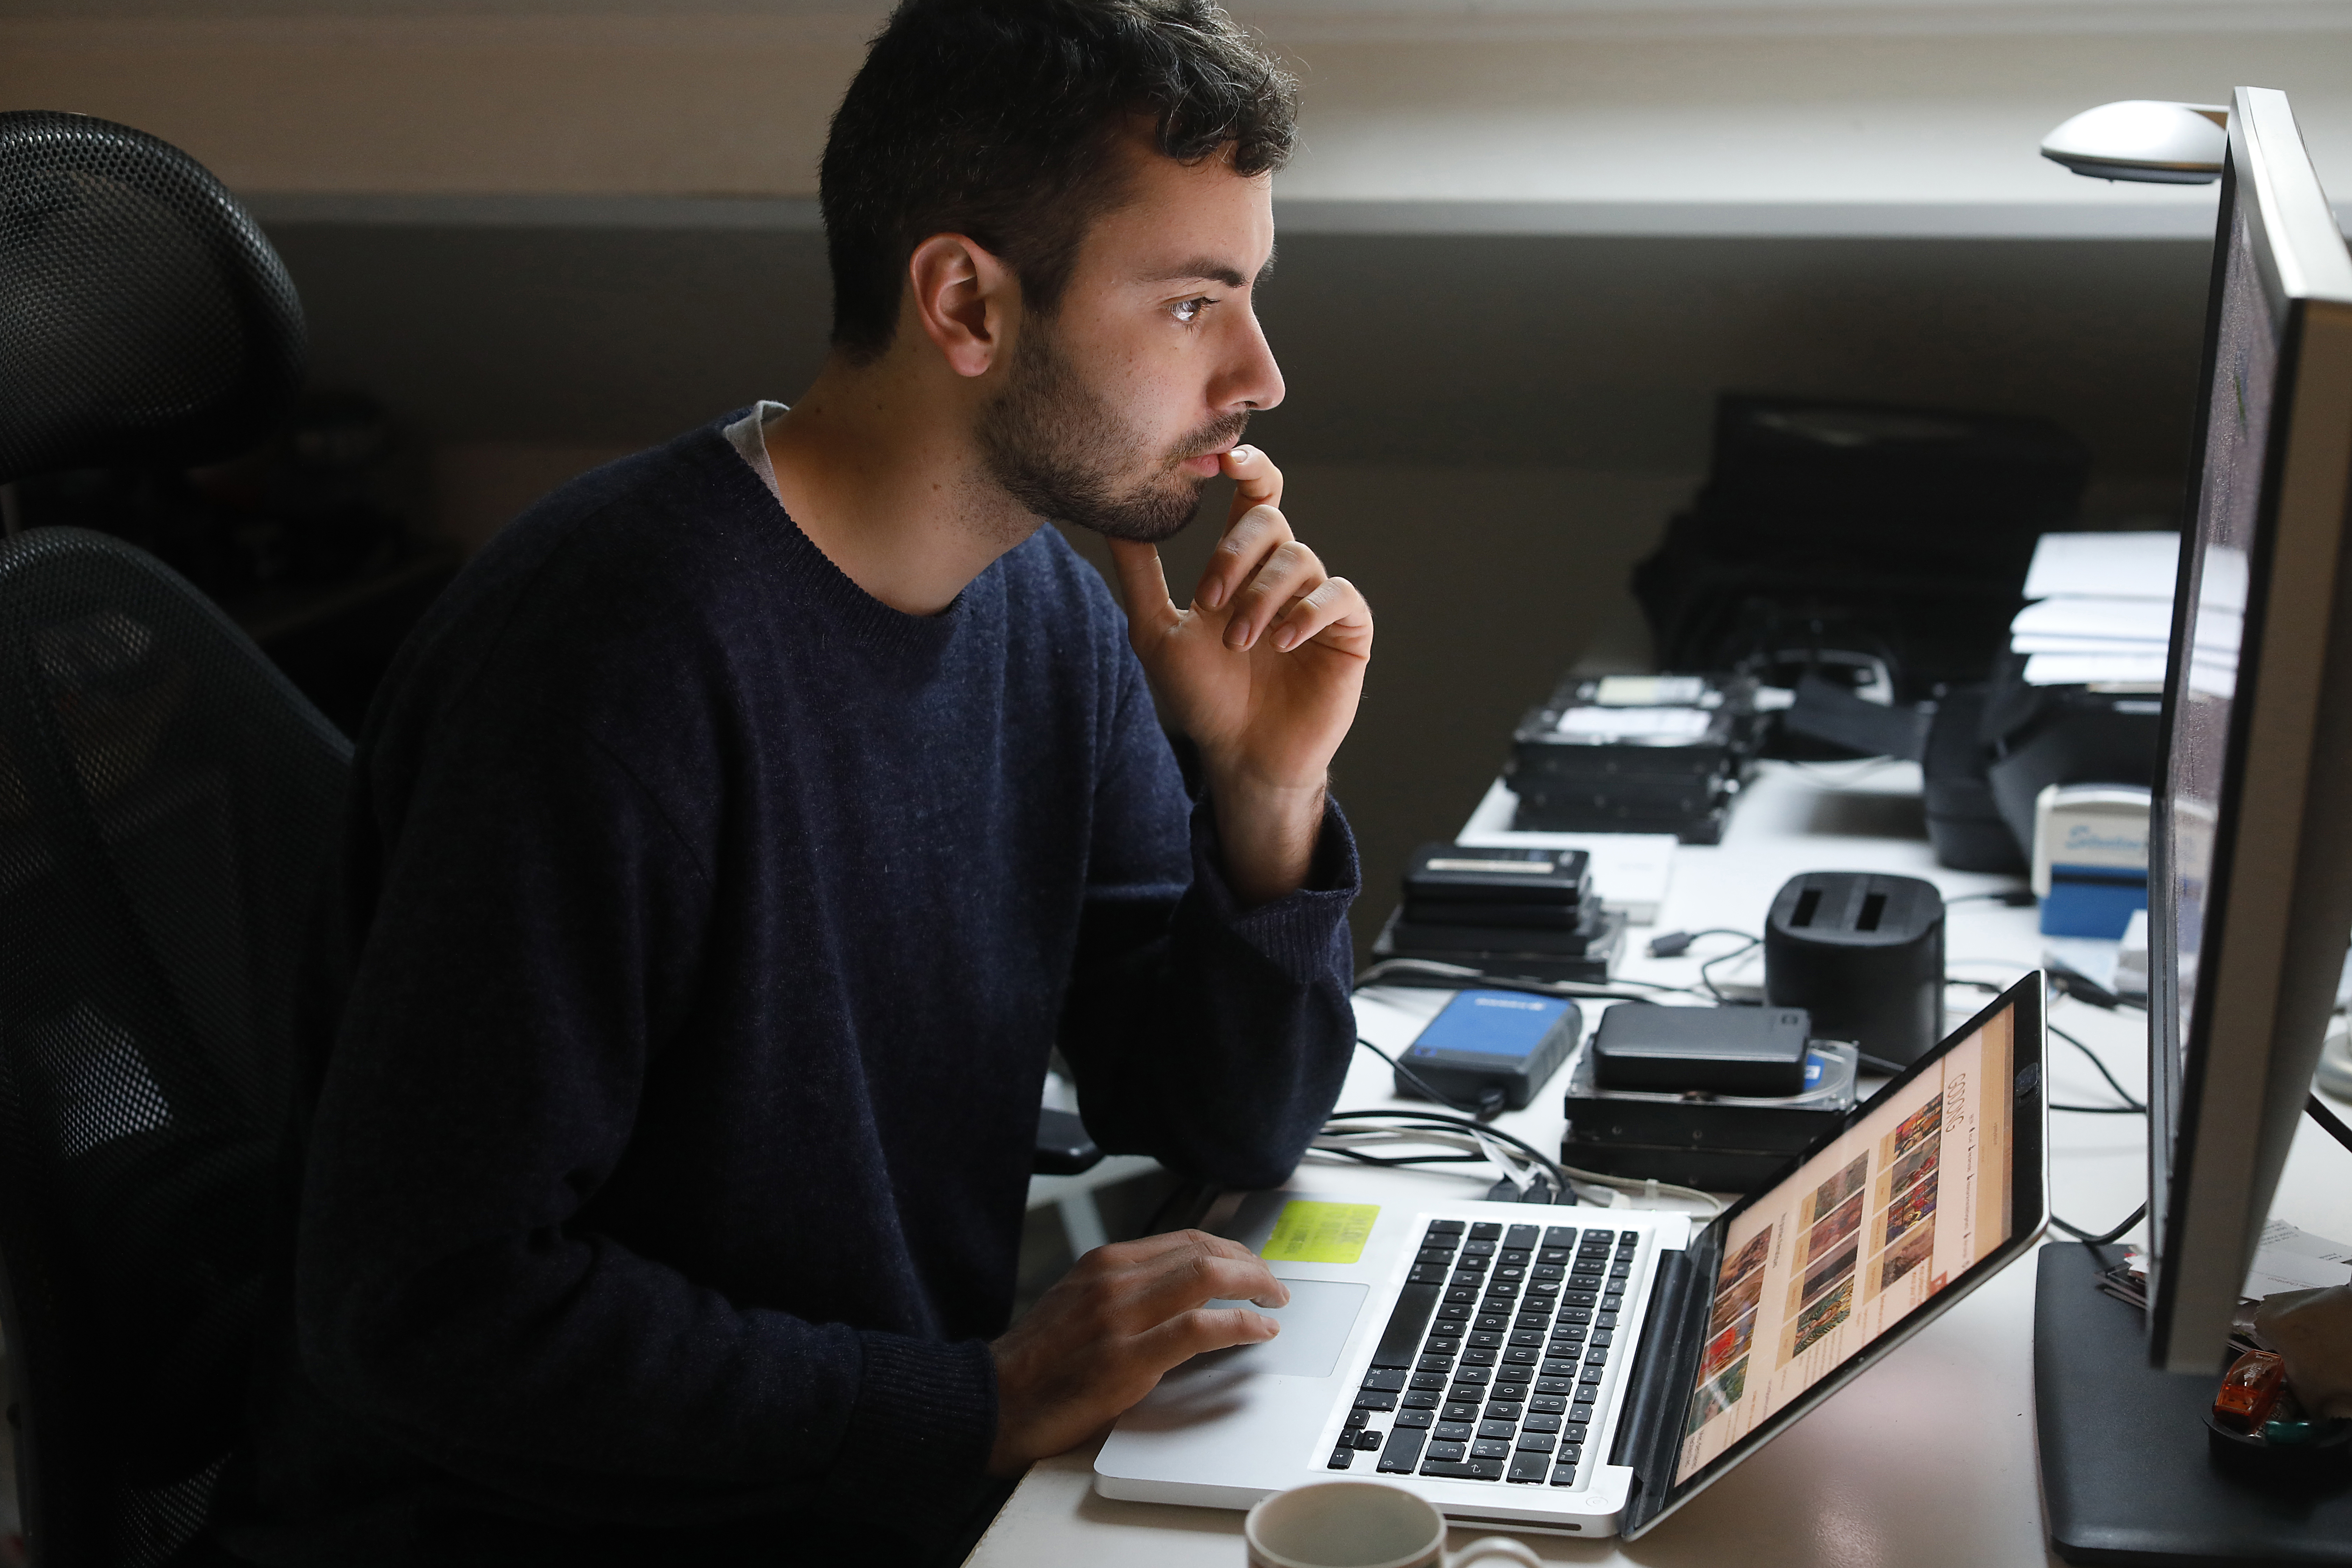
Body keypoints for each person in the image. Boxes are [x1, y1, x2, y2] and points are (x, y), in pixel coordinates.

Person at [225, 0, 1373, 1563]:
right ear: (967, 302)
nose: (1261, 375)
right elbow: (427, 1308)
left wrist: (1262, 796)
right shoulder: (612, 654)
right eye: (1193, 303)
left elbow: (1219, 1119)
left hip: (863, 1474)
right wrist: (973, 1399)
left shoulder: (1041, 603)